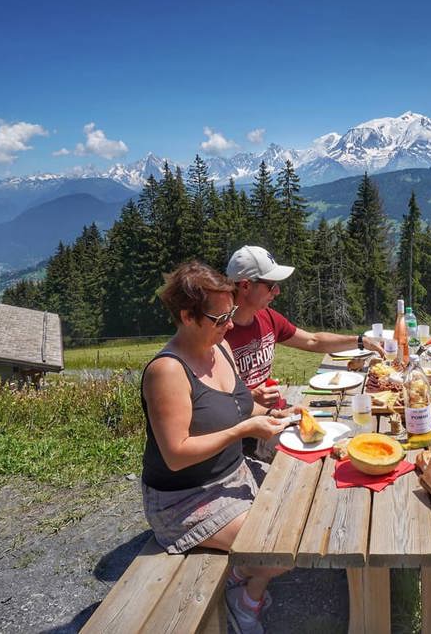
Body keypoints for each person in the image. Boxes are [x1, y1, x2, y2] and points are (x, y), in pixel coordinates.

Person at [140, 261, 293, 633]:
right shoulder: (167, 371)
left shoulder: (220, 346)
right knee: (281, 547)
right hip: (186, 498)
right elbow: (176, 454)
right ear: (187, 316)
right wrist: (243, 429)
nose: (229, 324)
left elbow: (240, 407)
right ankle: (244, 596)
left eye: (230, 314)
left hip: (233, 475)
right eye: (220, 317)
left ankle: (242, 571)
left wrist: (276, 414)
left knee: (301, 510)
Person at [224, 245, 385, 413]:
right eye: (271, 286)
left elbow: (313, 340)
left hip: (276, 413)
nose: (277, 291)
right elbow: (210, 401)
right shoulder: (217, 331)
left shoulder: (267, 316)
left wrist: (361, 341)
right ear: (245, 286)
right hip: (248, 424)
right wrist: (249, 397)